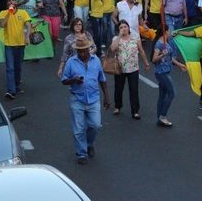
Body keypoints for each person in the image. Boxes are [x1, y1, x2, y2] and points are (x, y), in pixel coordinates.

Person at [61, 37, 110, 165]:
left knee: (95, 125)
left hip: (93, 98)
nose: (82, 53)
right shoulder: (71, 62)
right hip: (77, 98)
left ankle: (89, 144)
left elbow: (102, 79)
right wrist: (74, 80)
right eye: (80, 51)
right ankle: (81, 153)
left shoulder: (96, 61)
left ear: (89, 49)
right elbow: (64, 80)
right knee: (78, 128)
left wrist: (107, 97)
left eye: (84, 51)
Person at [109, 20, 150, 119]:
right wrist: (119, 36)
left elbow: (141, 51)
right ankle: (118, 106)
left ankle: (135, 111)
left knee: (134, 90)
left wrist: (146, 63)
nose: (124, 29)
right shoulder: (116, 38)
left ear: (128, 28)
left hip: (133, 68)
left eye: (125, 27)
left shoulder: (135, 38)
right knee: (118, 88)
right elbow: (113, 48)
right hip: (120, 68)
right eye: (121, 27)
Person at [0, 0, 32, 99]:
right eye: (9, 0)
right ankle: (11, 91)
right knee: (10, 68)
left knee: (18, 67)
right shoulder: (3, 13)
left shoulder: (23, 13)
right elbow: (2, 25)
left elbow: (28, 25)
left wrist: (27, 37)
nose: (11, 2)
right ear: (7, 3)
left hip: (20, 44)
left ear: (16, 2)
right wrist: (9, 13)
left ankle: (17, 85)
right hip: (9, 45)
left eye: (13, 0)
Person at [152, 33, 186, 127]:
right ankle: (163, 116)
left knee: (162, 95)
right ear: (165, 32)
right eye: (169, 31)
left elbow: (171, 59)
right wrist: (162, 54)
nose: (170, 33)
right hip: (161, 72)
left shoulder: (166, 43)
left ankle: (160, 117)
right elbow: (154, 59)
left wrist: (180, 65)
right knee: (172, 93)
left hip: (166, 71)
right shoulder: (159, 44)